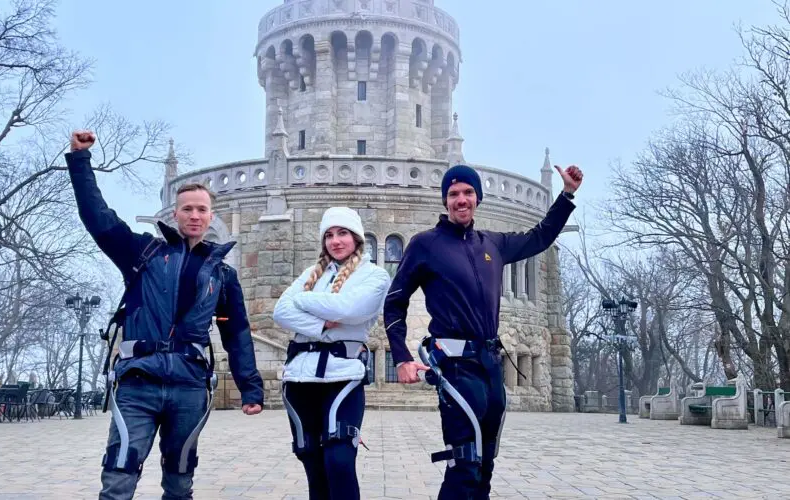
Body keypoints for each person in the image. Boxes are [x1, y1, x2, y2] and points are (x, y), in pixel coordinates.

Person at [65, 130, 264, 499]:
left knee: (180, 480)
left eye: (201, 209)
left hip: (189, 386)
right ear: (175, 213)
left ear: (210, 216)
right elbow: (97, 217)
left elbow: (234, 331)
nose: (194, 215)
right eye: (187, 208)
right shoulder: (142, 253)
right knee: (119, 475)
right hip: (138, 381)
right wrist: (79, 160)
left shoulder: (222, 274)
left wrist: (250, 386)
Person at [383, 163, 583, 499]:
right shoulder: (425, 245)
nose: (461, 200)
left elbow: (541, 236)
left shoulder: (493, 243)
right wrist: (401, 356)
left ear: (478, 198)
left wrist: (566, 195)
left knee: (486, 465)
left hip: (491, 365)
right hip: (455, 367)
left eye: (467, 193)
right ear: (445, 200)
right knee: (464, 464)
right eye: (453, 194)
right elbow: (395, 302)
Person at [272, 207, 391, 500]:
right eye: (329, 235)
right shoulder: (311, 275)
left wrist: (303, 300)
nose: (336, 241)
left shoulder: (374, 276)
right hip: (300, 376)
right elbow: (280, 311)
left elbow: (349, 309)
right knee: (311, 458)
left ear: (357, 238)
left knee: (338, 459)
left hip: (343, 376)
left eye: (343, 233)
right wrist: (321, 323)